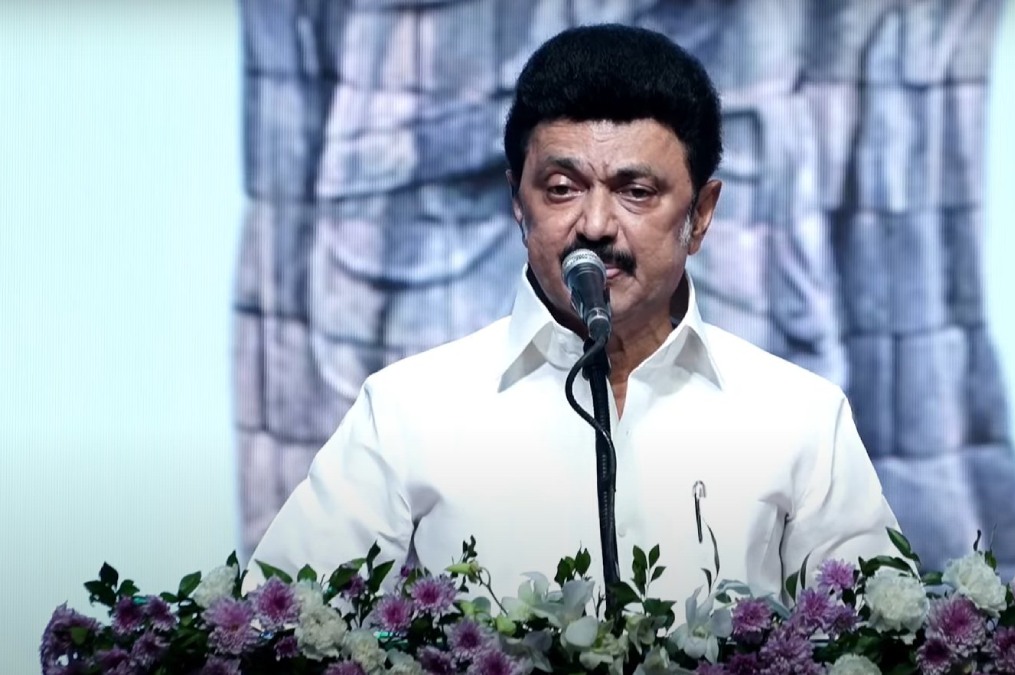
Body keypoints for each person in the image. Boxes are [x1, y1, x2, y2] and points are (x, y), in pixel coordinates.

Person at [247, 24, 900, 606]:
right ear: (517, 200)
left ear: (701, 215)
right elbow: (275, 625)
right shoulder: (407, 409)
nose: (594, 225)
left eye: (635, 191)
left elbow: (882, 637)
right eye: (561, 188)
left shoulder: (800, 416)